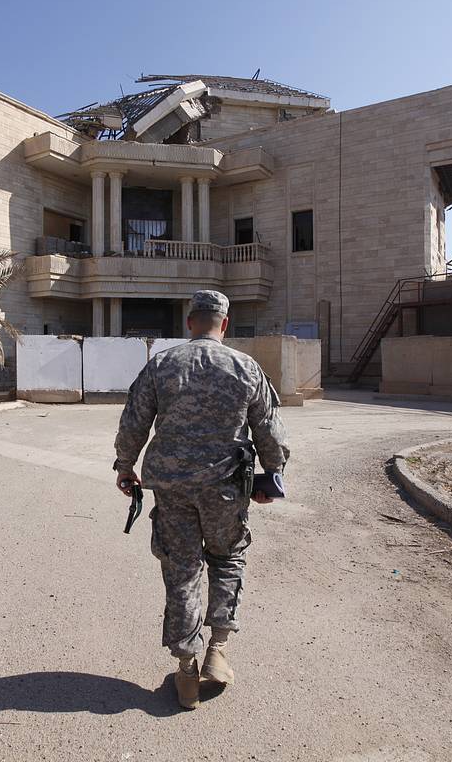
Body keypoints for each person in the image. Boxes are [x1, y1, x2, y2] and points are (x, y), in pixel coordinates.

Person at [113, 289, 290, 709]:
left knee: (182, 570)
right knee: (227, 559)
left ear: (190, 322)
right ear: (224, 324)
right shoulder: (246, 367)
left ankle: (186, 668)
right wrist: (272, 477)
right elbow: (269, 430)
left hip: (172, 489)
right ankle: (218, 649)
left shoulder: (163, 364)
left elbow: (134, 421)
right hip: (226, 489)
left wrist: (125, 465)